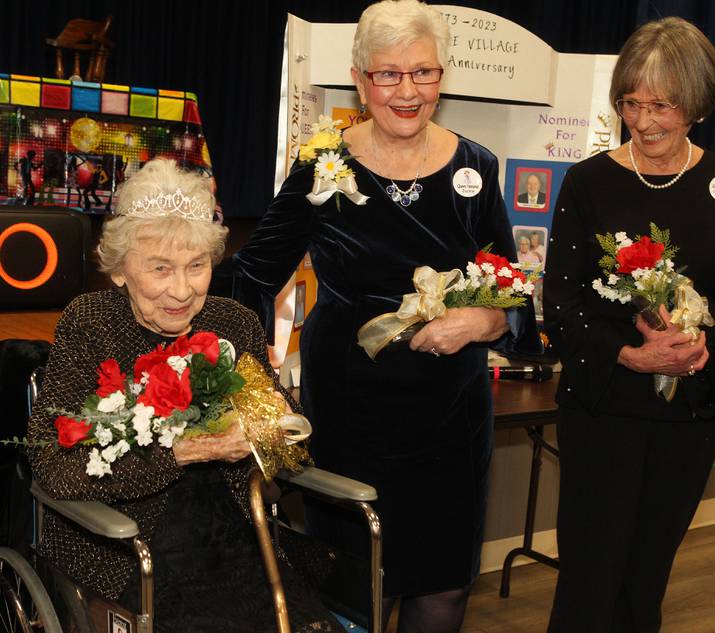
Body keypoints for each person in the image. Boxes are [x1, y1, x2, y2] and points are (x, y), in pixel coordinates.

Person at [235, 1, 528, 631]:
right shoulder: (324, 165)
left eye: (423, 73)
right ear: (361, 80)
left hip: (451, 418)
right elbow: (253, 276)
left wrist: (485, 322)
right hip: (350, 413)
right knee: (358, 591)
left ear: (442, 77)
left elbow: (510, 290)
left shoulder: (475, 167)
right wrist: (248, 376)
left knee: (442, 588)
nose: (407, 91)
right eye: (389, 75)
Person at [26, 159, 344, 633]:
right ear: (119, 271)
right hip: (131, 548)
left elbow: (295, 452)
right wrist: (178, 453)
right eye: (160, 268)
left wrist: (267, 424)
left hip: (239, 539)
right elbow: (51, 464)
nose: (181, 290)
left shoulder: (232, 323)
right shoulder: (91, 323)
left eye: (196, 266)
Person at [543, 17, 715, 633]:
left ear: (696, 105)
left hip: (688, 418)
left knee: (648, 576)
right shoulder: (588, 182)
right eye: (631, 103)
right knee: (591, 576)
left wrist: (697, 349)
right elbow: (559, 305)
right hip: (603, 409)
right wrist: (632, 355)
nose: (643, 122)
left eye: (661, 106)